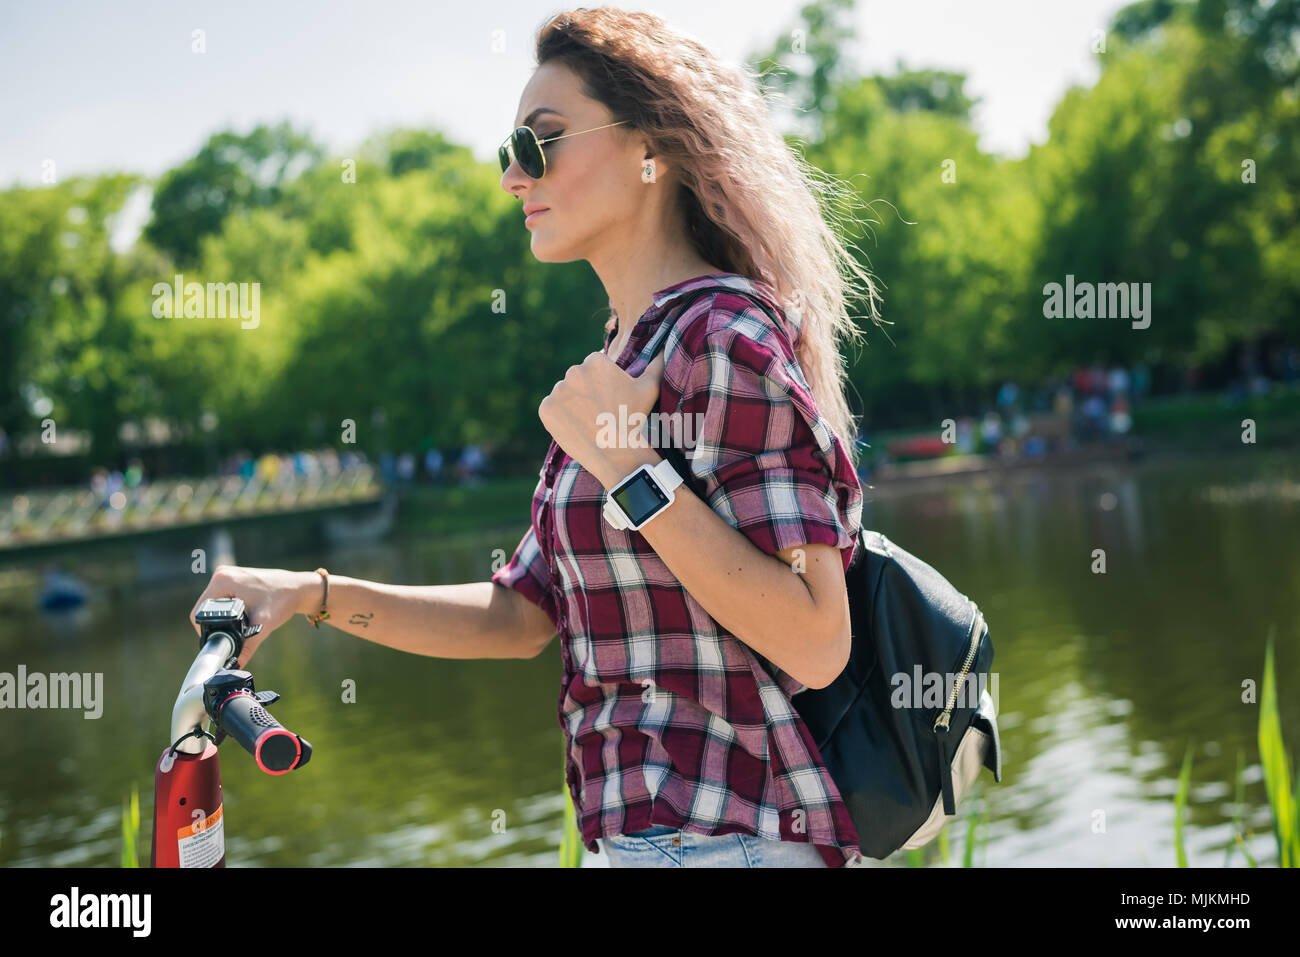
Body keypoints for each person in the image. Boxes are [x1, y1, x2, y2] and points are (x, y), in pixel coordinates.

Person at [189, 7, 878, 869]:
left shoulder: (723, 335)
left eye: (541, 142)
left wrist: (631, 468)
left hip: (725, 841)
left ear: (649, 148)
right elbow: (519, 615)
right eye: (508, 150)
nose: (515, 176)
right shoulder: (618, 363)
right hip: (638, 843)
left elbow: (817, 641)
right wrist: (309, 593)